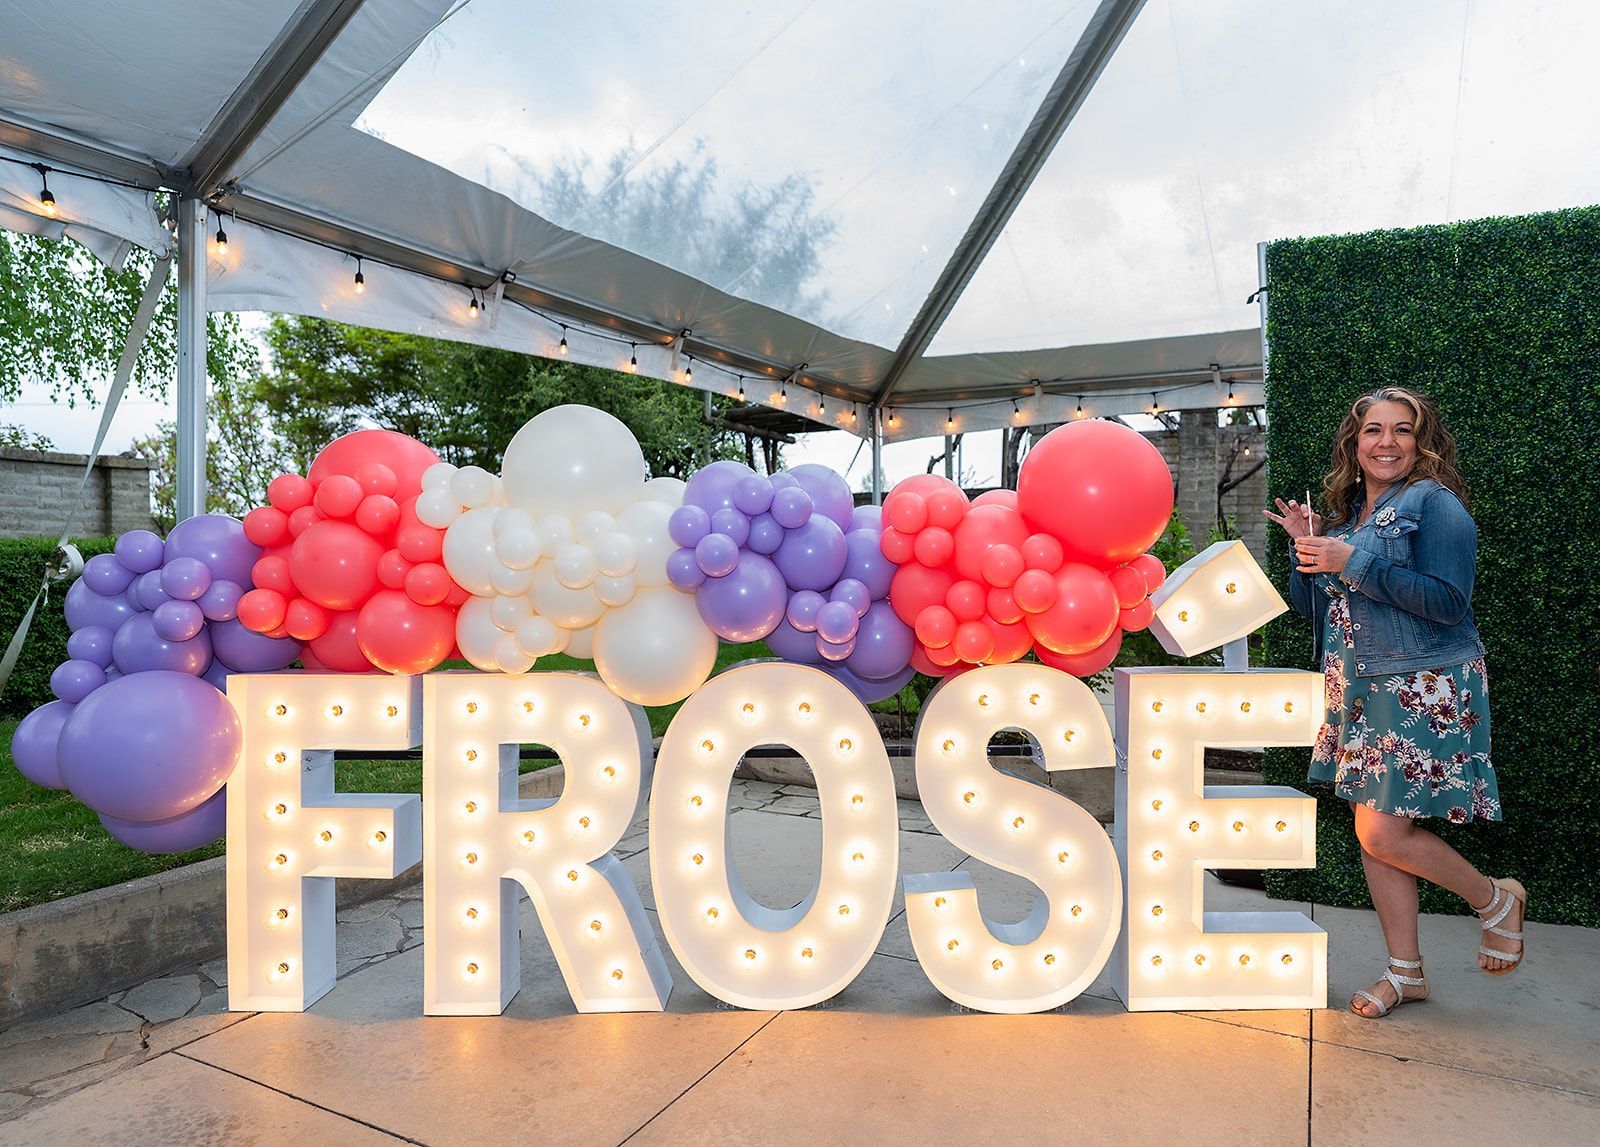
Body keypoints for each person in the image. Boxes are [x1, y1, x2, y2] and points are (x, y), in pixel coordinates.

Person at [1263, 386, 1524, 1019]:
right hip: (1359, 684)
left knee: (1383, 830)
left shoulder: (1435, 506)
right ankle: (1405, 972)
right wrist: (1309, 551)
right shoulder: (1351, 514)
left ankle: (1495, 900)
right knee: (1373, 830)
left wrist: (1351, 561)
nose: (1386, 442)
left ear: (1421, 441)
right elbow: (1315, 609)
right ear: (1354, 445)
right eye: (1372, 430)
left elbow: (1447, 601)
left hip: (1422, 683)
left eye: (1401, 431)